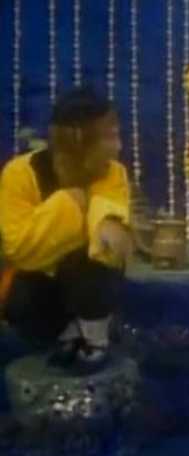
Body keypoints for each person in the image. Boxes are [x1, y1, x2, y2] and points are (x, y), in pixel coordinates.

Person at [0, 87, 133, 372]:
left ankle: (94, 335)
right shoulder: (19, 174)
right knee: (23, 294)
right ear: (79, 140)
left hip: (89, 291)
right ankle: (67, 334)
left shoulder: (112, 172)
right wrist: (70, 203)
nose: (118, 147)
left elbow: (109, 225)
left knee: (93, 261)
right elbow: (19, 248)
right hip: (38, 296)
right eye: (110, 137)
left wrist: (107, 222)